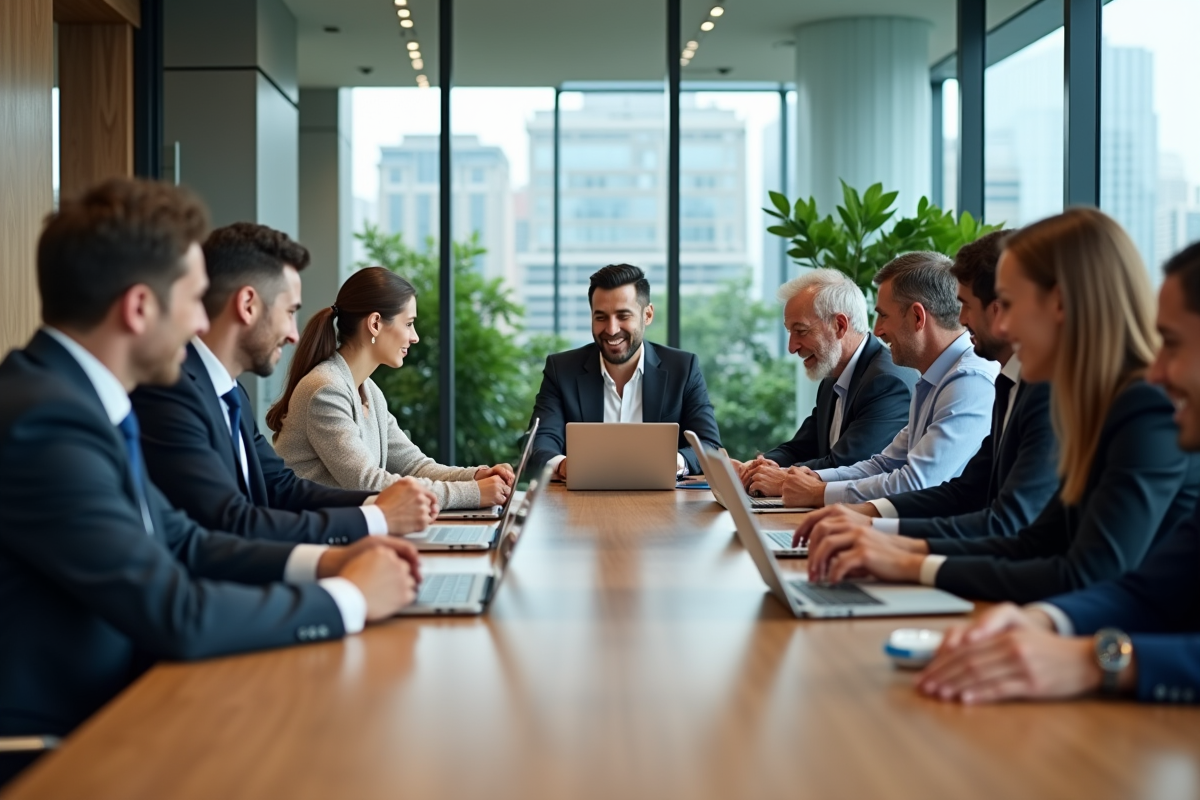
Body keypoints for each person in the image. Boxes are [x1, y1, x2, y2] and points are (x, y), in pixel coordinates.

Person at [0, 178, 422, 784]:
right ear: (140, 307)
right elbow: (175, 610)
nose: (204, 321)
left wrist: (331, 566)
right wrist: (351, 598)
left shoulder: (80, 401)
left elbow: (186, 542)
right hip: (67, 743)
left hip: (125, 701)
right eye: (195, 300)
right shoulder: (45, 421)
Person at [801, 209, 1200, 605]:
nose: (1001, 326)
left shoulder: (1139, 407)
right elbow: (1037, 537)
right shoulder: (1074, 396)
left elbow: (1084, 570)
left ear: (1059, 303)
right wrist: (889, 543)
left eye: (1007, 303)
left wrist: (906, 558)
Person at [916, 240, 1200, 705]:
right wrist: (1042, 620)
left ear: (1062, 305)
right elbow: (1148, 592)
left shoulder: (1142, 407)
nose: (1159, 372)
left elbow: (1092, 571)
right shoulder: (1098, 407)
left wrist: (1097, 659)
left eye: (1171, 343)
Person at [131, 223, 438, 546]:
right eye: (290, 312)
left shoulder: (232, 393)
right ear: (248, 305)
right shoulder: (172, 393)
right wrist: (375, 519)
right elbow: (230, 522)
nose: (294, 334)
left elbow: (281, 487)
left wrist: (376, 507)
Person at [793, 231, 1059, 540]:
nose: (960, 318)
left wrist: (833, 501)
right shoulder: (989, 382)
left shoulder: (974, 380)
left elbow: (925, 484)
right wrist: (847, 509)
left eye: (967, 306)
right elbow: (962, 490)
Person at [269, 267, 514, 509]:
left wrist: (475, 476)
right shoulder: (326, 390)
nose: (415, 336)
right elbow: (367, 483)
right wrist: (472, 494)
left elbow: (414, 466)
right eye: (408, 324)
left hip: (342, 528)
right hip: (311, 536)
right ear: (375, 323)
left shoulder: (369, 391)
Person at [776, 251, 998, 509]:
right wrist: (812, 478)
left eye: (883, 316)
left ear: (917, 317)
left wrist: (819, 493)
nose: (877, 329)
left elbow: (918, 482)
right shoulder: (935, 379)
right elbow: (884, 463)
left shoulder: (968, 380)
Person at [527, 264, 722, 479]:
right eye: (601, 317)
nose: (611, 329)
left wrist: (672, 461)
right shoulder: (561, 370)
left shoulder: (683, 369)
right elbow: (538, 444)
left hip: (664, 505)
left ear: (647, 315)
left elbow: (709, 444)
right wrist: (563, 465)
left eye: (623, 316)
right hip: (580, 505)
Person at [734, 268, 916, 497]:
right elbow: (800, 447)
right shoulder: (833, 379)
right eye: (790, 332)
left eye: (800, 331)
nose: (792, 347)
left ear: (840, 325)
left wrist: (779, 477)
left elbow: (848, 466)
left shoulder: (886, 382)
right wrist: (755, 467)